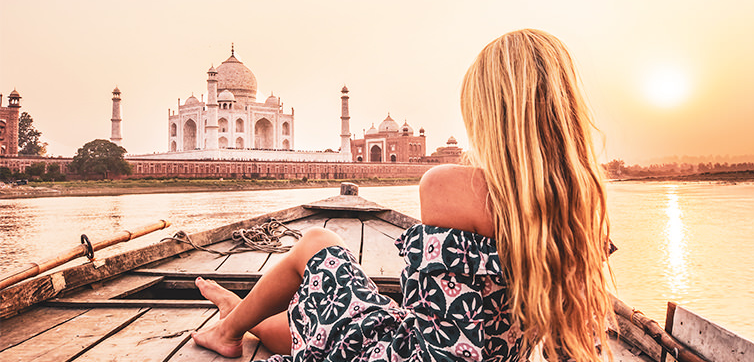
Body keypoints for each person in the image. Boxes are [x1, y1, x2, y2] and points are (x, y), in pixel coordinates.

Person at [191, 28, 613, 361]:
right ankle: (241, 314)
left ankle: (230, 329)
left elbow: (418, 317)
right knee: (343, 318)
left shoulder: (447, 185)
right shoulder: (580, 208)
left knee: (318, 243)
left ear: (489, 113)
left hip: (405, 354)